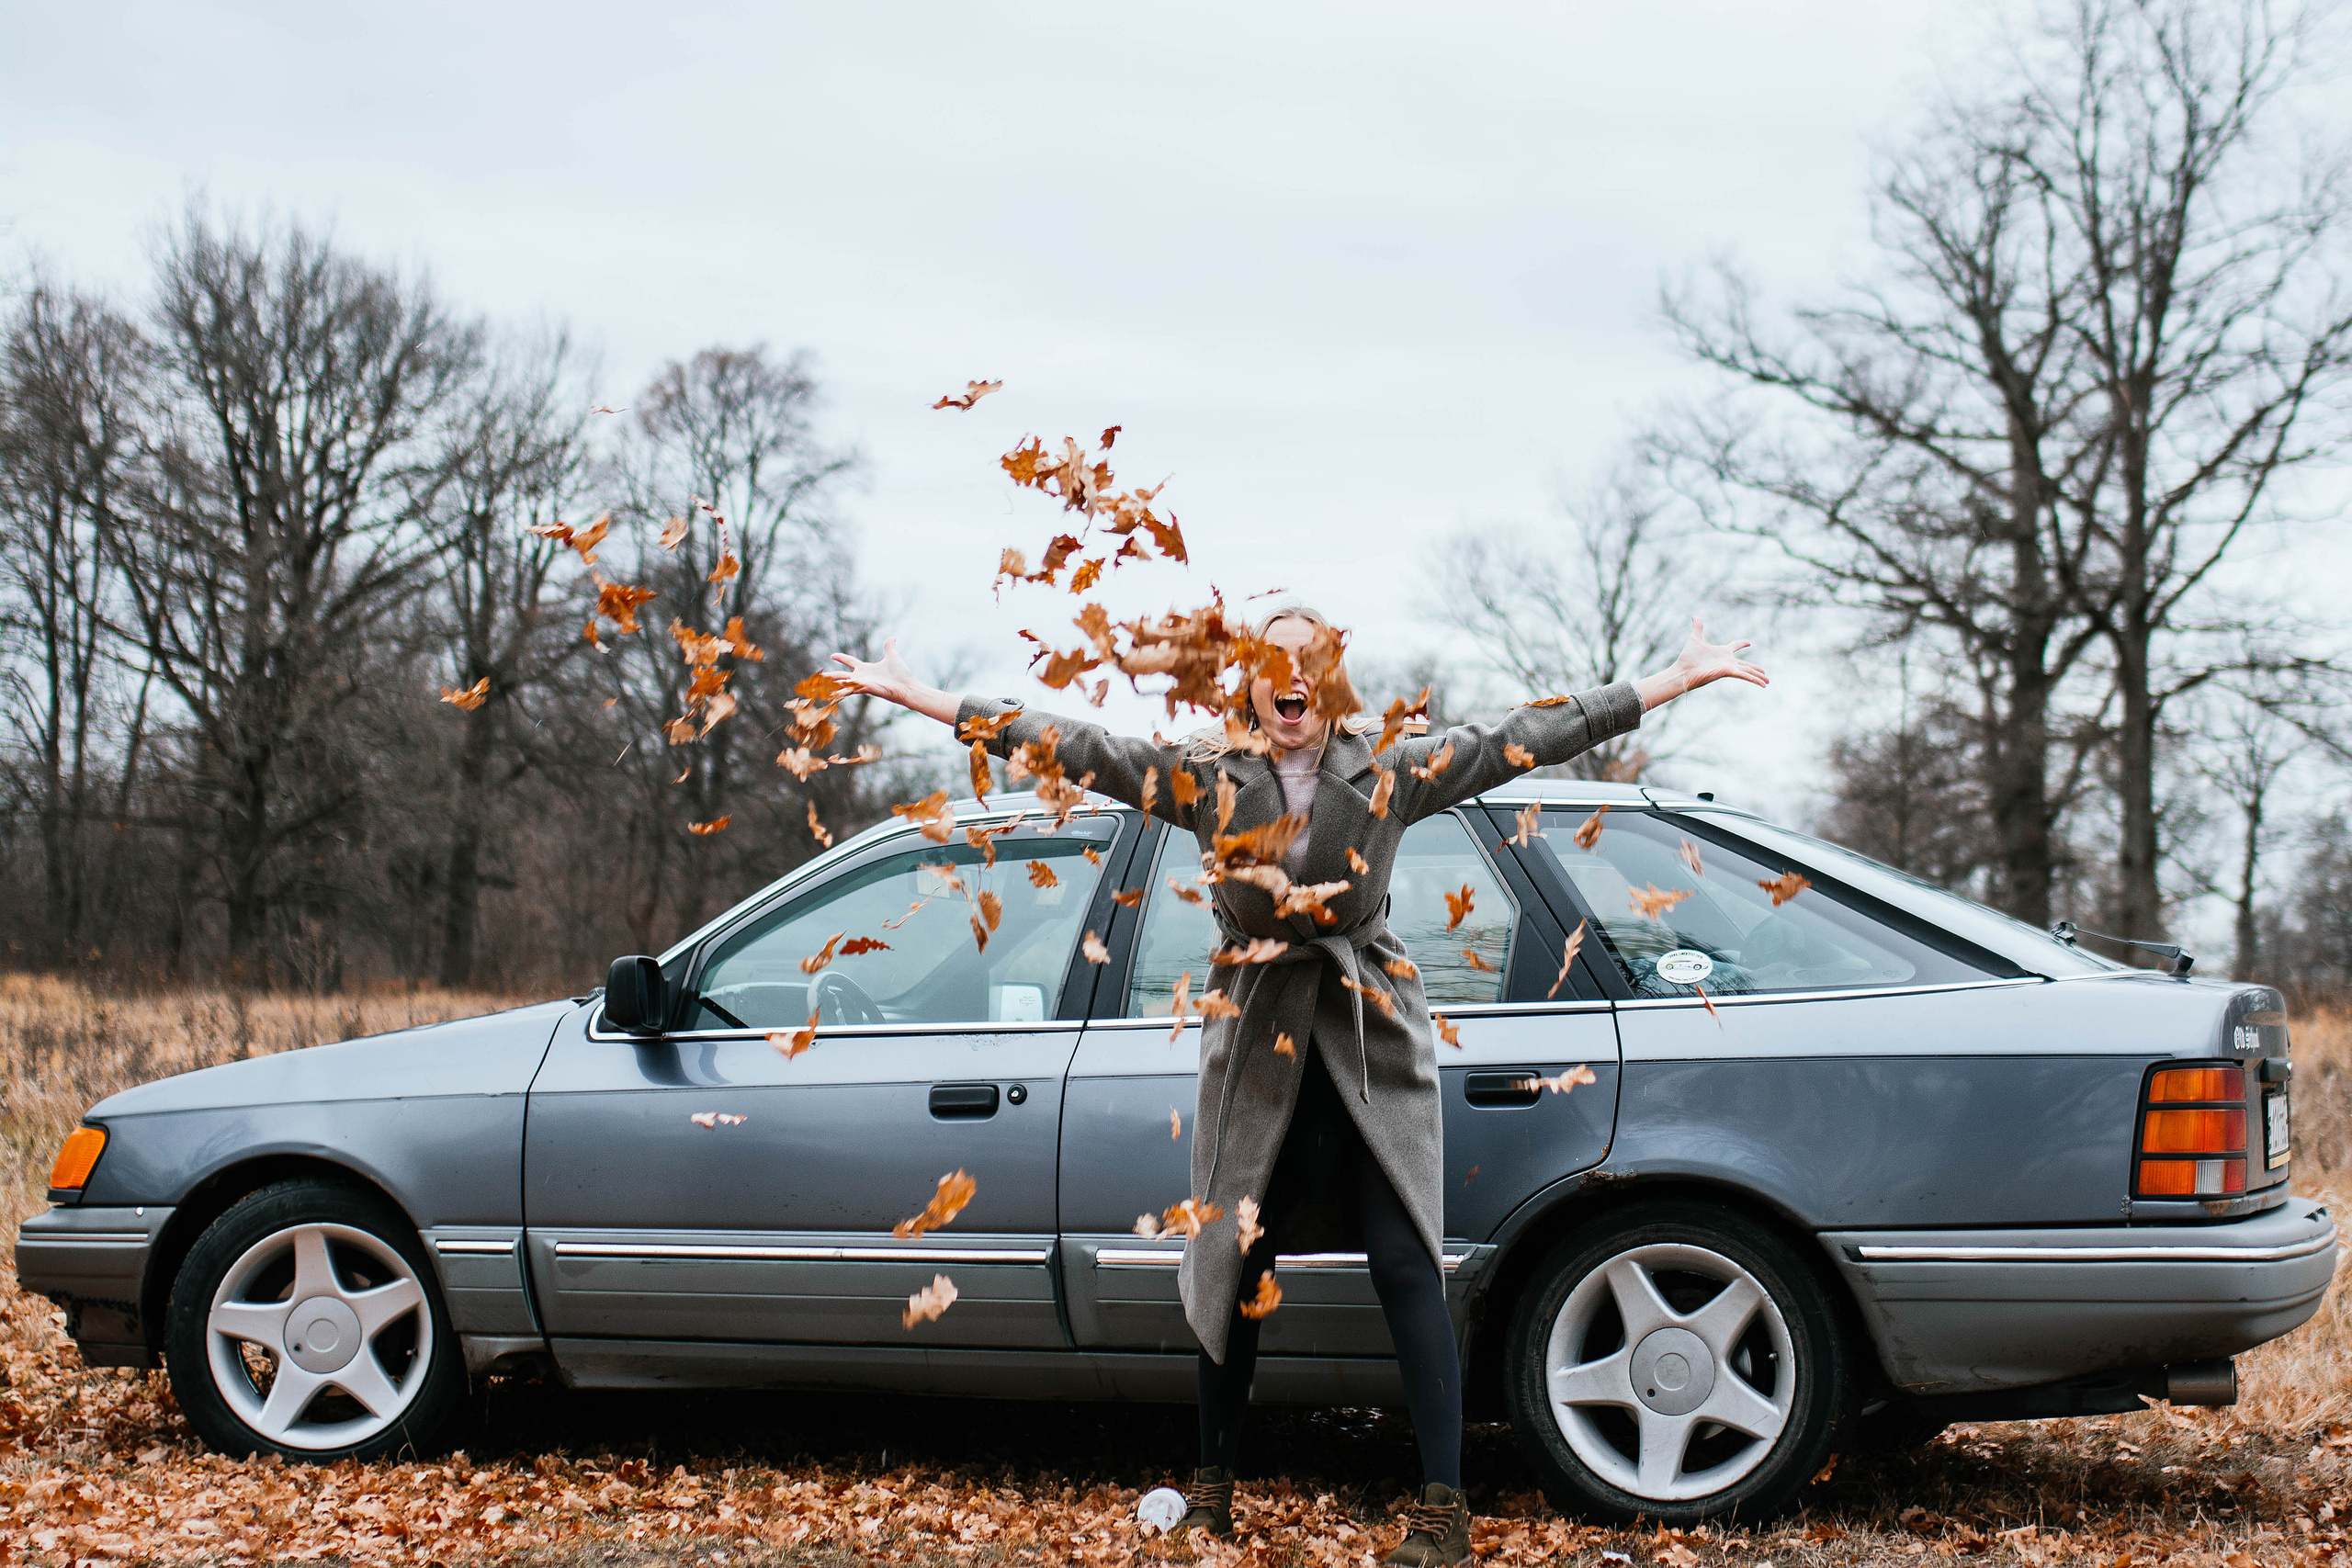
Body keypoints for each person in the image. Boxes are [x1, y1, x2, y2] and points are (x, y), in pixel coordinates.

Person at [830, 607, 1766, 1567]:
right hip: (1258, 1053)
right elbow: (1073, 745)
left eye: (1308, 662)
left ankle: (1443, 1511)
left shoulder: (1392, 768)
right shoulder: (1201, 776)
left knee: (1407, 1267)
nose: (1291, 681)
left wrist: (1673, 681)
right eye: (1272, 664)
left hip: (1366, 1040)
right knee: (1235, 1270)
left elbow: (1525, 737)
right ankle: (1211, 1494)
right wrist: (925, 699)